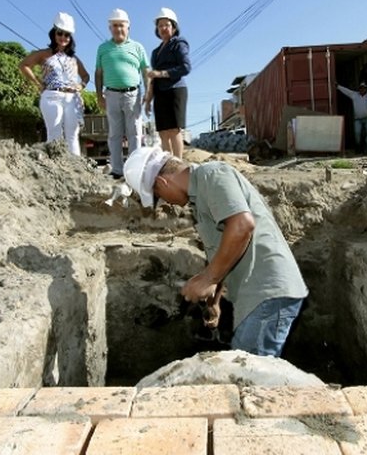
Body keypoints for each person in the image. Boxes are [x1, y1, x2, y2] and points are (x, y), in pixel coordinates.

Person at [123, 147, 309, 357]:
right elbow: (224, 250)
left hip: (268, 290)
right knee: (249, 370)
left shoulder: (212, 174)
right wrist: (214, 301)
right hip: (259, 296)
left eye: (158, 195)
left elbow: (241, 226)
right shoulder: (201, 198)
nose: (165, 202)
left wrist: (208, 279)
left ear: (161, 182)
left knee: (249, 375)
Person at [19, 12, 90, 156]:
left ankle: (75, 168)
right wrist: (38, 83)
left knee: (72, 135)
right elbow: (24, 65)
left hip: (72, 98)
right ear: (54, 34)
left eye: (67, 35)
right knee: (54, 133)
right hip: (52, 95)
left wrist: (81, 85)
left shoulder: (73, 58)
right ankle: (55, 168)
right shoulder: (44, 54)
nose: (63, 37)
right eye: (60, 33)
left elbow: (85, 75)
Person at [95, 8, 150, 179]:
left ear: (128, 27)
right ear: (110, 28)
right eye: (115, 25)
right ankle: (117, 170)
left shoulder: (137, 47)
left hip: (133, 94)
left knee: (134, 132)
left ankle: (135, 169)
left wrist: (148, 93)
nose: (118, 29)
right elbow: (98, 73)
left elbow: (145, 70)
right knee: (114, 134)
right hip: (111, 95)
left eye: (121, 25)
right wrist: (98, 95)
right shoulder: (103, 48)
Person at [144, 8, 191, 160]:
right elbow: (153, 78)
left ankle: (178, 163)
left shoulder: (179, 44)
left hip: (175, 90)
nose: (163, 28)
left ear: (174, 27)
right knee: (163, 132)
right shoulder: (155, 52)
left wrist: (162, 73)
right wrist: (148, 99)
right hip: (160, 92)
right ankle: (168, 164)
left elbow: (186, 67)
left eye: (166, 25)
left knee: (174, 130)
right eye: (160, 26)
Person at [337, 81, 367, 155]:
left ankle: (366, 150)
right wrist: (338, 86)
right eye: (361, 88)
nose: (362, 89)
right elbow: (346, 91)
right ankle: (358, 149)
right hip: (358, 119)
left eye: (364, 88)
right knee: (357, 133)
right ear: (359, 88)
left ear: (366, 88)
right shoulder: (354, 95)